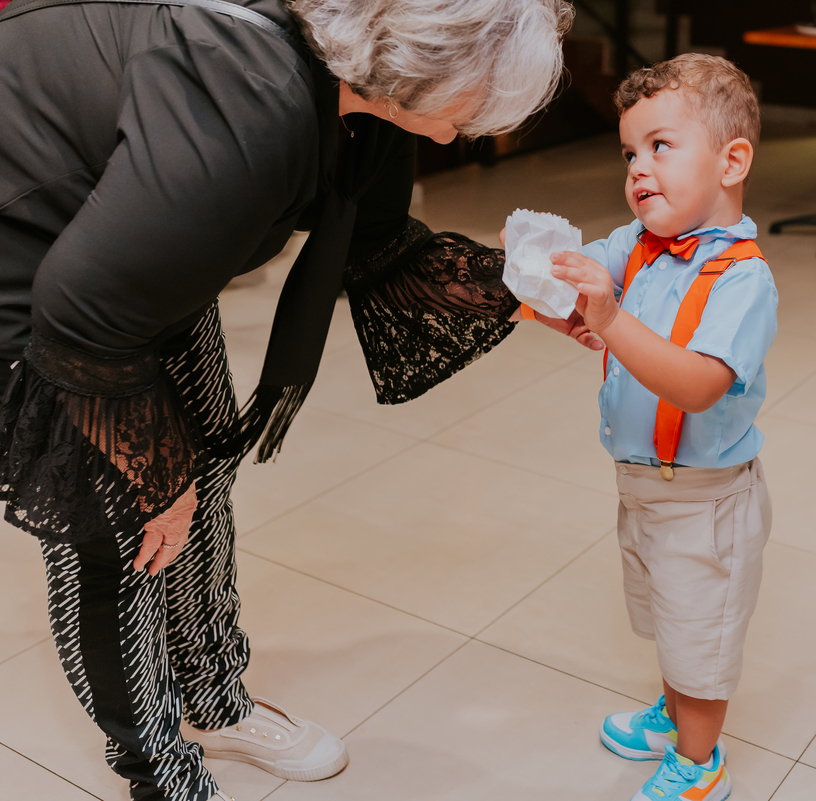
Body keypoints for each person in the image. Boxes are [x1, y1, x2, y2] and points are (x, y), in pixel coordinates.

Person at [0, 0, 593, 799]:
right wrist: (156, 476)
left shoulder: (367, 93)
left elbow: (383, 248)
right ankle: (161, 774)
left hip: (129, 267)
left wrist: (530, 296)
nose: (469, 130)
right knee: (127, 537)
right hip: (42, 280)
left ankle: (214, 698)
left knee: (205, 472)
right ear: (423, 62)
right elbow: (82, 316)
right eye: (476, 100)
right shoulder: (250, 98)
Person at [548, 54, 777, 801]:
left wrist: (612, 320)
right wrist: (564, 299)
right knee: (667, 612)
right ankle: (675, 706)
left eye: (661, 147)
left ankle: (700, 758)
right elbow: (571, 282)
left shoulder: (743, 279)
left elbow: (701, 383)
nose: (639, 169)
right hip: (642, 485)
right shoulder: (635, 245)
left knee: (700, 631)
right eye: (629, 153)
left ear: (731, 159)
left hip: (706, 501)